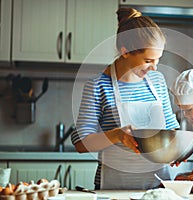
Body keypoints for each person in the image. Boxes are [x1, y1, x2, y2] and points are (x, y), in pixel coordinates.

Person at [70, 7, 179, 190]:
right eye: (147, 61)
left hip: (157, 187)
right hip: (113, 188)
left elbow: (171, 129)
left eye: (157, 60)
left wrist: (177, 150)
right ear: (125, 51)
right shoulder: (98, 86)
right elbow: (81, 143)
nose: (154, 68)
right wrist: (118, 135)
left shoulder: (157, 82)